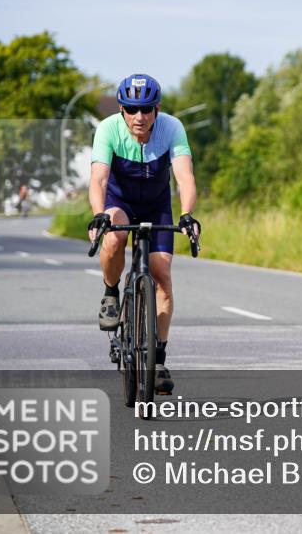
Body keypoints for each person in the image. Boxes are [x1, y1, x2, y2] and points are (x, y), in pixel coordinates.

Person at [86, 73, 201, 395]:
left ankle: (158, 358)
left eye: (147, 109)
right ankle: (111, 293)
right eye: (133, 110)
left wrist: (187, 213)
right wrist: (99, 214)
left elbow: (184, 175)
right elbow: (98, 178)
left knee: (161, 272)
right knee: (114, 237)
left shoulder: (172, 128)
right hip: (118, 201)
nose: (140, 117)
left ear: (157, 108)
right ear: (122, 109)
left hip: (156, 205)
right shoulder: (108, 129)